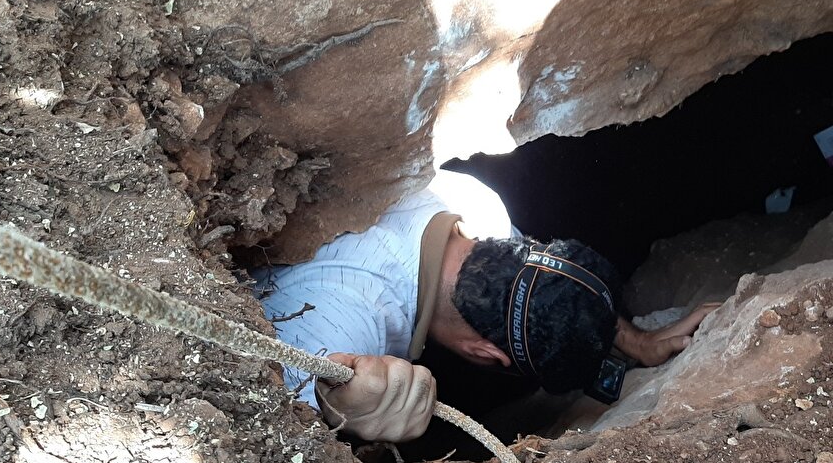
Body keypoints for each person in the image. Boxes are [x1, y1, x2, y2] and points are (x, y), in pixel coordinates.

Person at [256, 169, 714, 443]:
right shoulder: (347, 317)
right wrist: (349, 411)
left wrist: (633, 339)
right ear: (485, 356)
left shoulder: (476, 207)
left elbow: (548, 283)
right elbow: (288, 406)